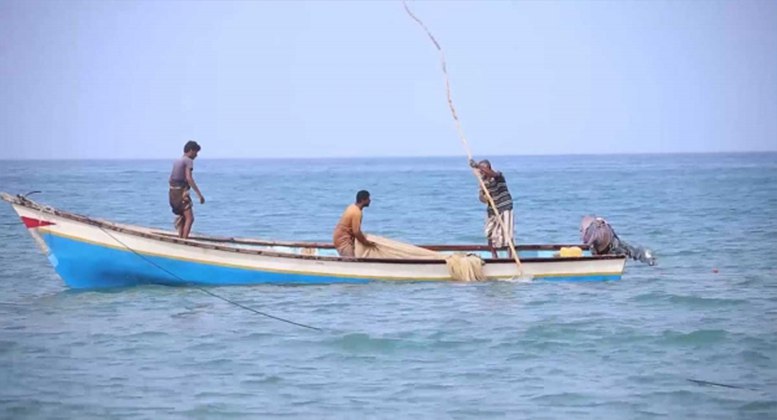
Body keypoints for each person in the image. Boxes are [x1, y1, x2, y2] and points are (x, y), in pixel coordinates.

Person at [469, 159, 514, 258]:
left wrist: (477, 166)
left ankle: (510, 257)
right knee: (489, 233)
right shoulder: (483, 182)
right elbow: (483, 200)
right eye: (480, 170)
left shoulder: (498, 176)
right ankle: (494, 256)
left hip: (504, 206)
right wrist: (482, 194)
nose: (481, 172)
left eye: (483, 169)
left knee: (507, 233)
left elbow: (493, 174)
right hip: (492, 210)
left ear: (488, 169)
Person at [580, 215, 656, 266]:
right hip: (612, 244)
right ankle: (647, 259)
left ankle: (648, 259)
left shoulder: (594, 230)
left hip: (613, 246)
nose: (581, 231)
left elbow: (589, 243)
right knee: (630, 252)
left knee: (633, 253)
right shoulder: (596, 228)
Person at [169, 141, 205, 239]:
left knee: (183, 217)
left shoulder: (177, 161)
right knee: (190, 218)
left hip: (172, 193)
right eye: (196, 152)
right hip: (180, 193)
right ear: (190, 151)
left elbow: (171, 179)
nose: (196, 155)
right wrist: (199, 195)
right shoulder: (188, 161)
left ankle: (181, 238)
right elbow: (189, 178)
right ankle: (184, 241)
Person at [332, 190, 376, 257]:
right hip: (343, 240)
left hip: (339, 237)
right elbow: (356, 232)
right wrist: (366, 243)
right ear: (363, 200)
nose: (370, 200)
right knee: (351, 261)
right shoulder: (357, 212)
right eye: (368, 198)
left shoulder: (352, 207)